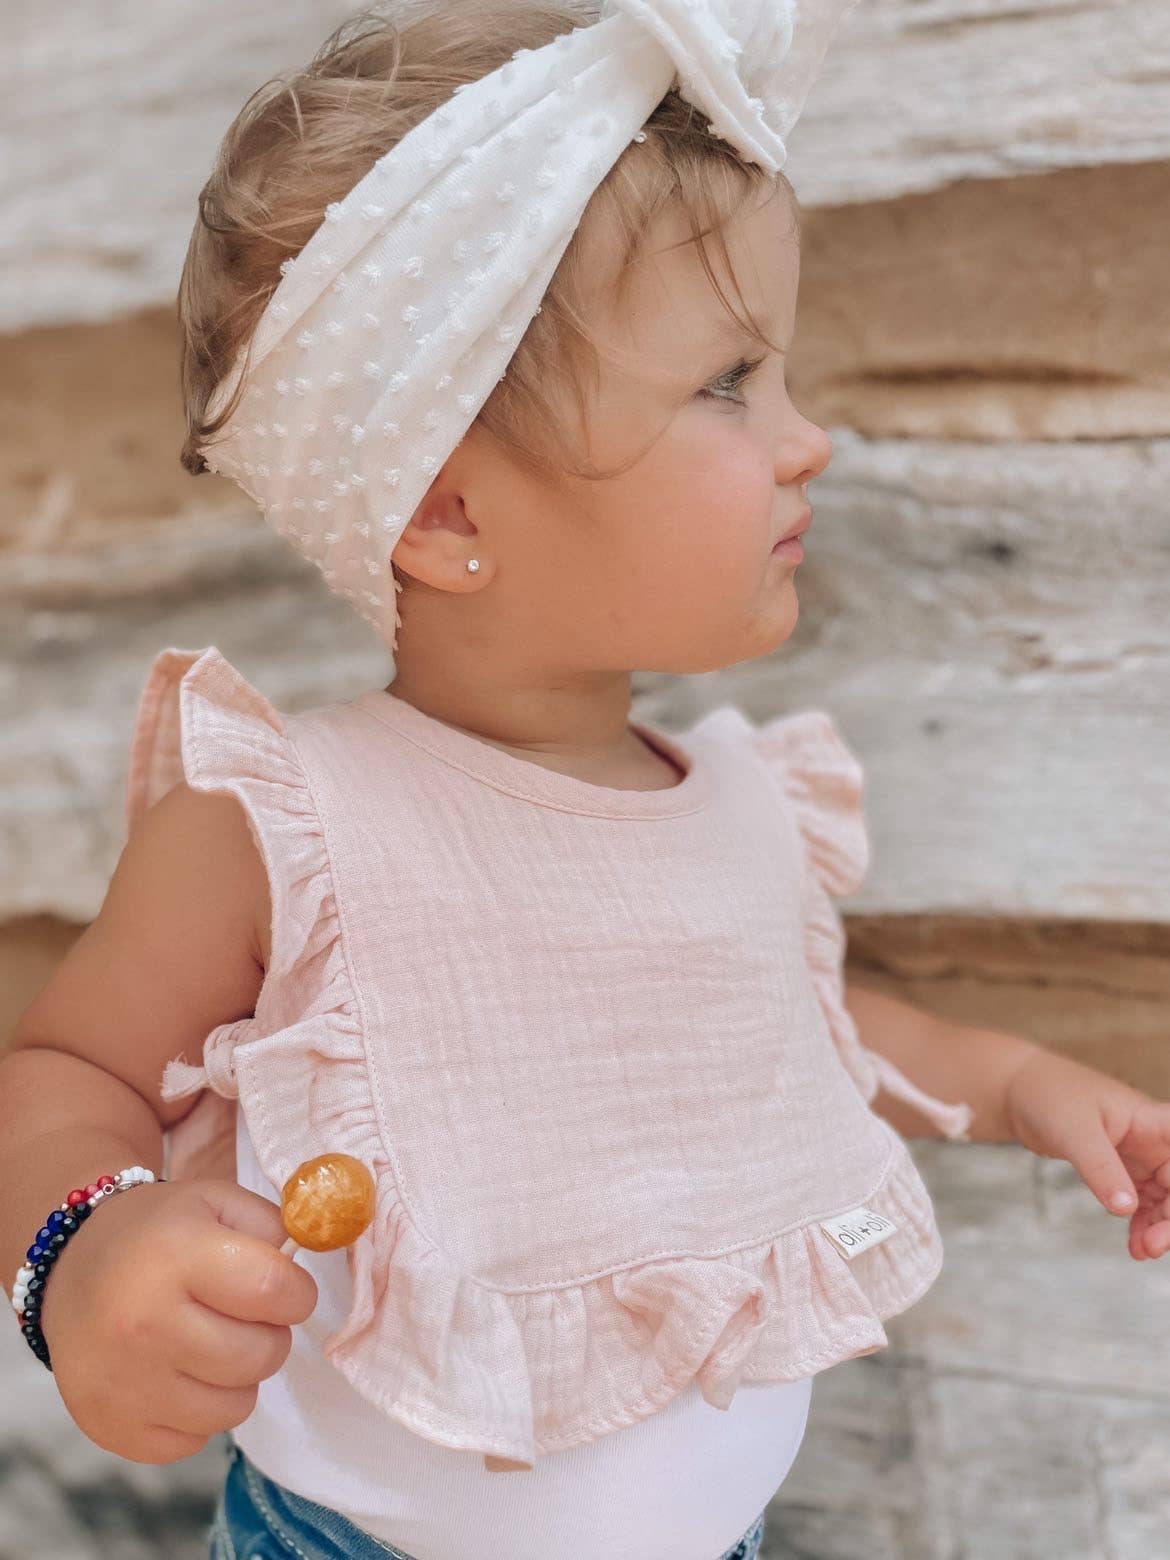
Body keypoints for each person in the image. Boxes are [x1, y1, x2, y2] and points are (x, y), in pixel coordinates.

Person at [5, 4, 1170, 1559]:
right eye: (728, 384)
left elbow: (794, 1027)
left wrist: (1020, 1088)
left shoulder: (740, 805)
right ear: (443, 513)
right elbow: (66, 1077)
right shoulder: (294, 825)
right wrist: (79, 1263)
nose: (807, 438)